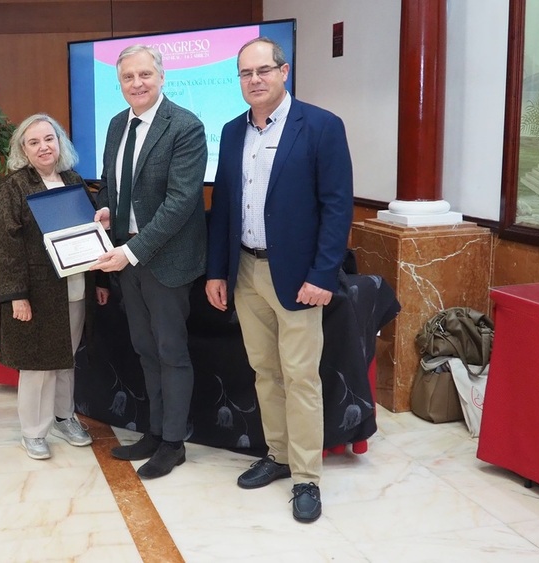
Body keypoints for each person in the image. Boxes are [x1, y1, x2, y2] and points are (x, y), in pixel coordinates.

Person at [205, 37, 354, 523]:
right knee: (264, 371)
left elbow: (337, 208)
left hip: (297, 278)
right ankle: (279, 454)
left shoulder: (321, 127)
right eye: (246, 74)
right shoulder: (231, 132)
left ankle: (307, 477)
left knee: (300, 377)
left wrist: (323, 275)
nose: (255, 80)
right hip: (245, 270)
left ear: (284, 71)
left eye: (263, 71)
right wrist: (217, 271)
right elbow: (223, 207)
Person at [90, 45, 208, 479]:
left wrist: (132, 251)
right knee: (144, 349)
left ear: (161, 77)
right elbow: (111, 185)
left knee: (171, 352)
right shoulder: (117, 124)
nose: (137, 84)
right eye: (128, 78)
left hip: (165, 260)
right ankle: (156, 433)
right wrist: (106, 210)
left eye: (145, 75)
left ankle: (174, 443)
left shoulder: (186, 126)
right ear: (119, 83)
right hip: (126, 255)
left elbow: (180, 204)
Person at [0, 114, 109, 460]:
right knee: (37, 364)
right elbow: (4, 248)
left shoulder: (73, 180)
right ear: (23, 151)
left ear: (60, 143)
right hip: (38, 293)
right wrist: (16, 297)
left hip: (74, 289)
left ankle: (63, 416)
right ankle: (34, 431)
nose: (44, 147)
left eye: (49, 139)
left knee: (65, 359)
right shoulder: (13, 189)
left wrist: (99, 280)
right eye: (34, 142)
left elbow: (94, 235)